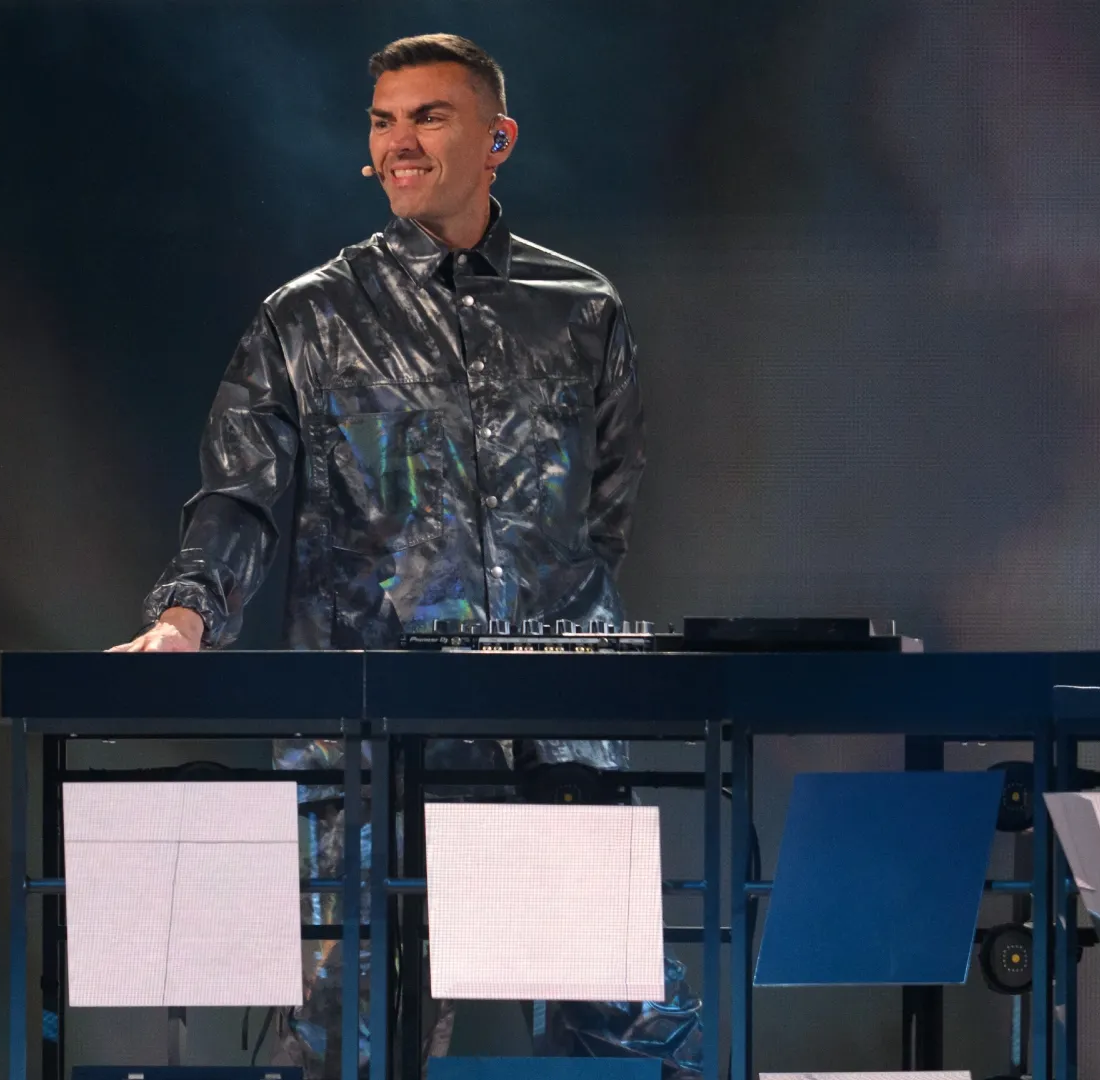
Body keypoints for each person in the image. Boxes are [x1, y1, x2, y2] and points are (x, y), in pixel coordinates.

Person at [113, 33, 698, 1077]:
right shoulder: (311, 317)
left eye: (428, 116)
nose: (399, 143)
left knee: (611, 1036)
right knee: (350, 1042)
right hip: (370, 740)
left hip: (552, 738)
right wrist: (185, 614)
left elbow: (605, 508)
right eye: (383, 122)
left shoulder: (581, 310)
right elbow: (240, 494)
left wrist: (555, 633)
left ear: (497, 138)